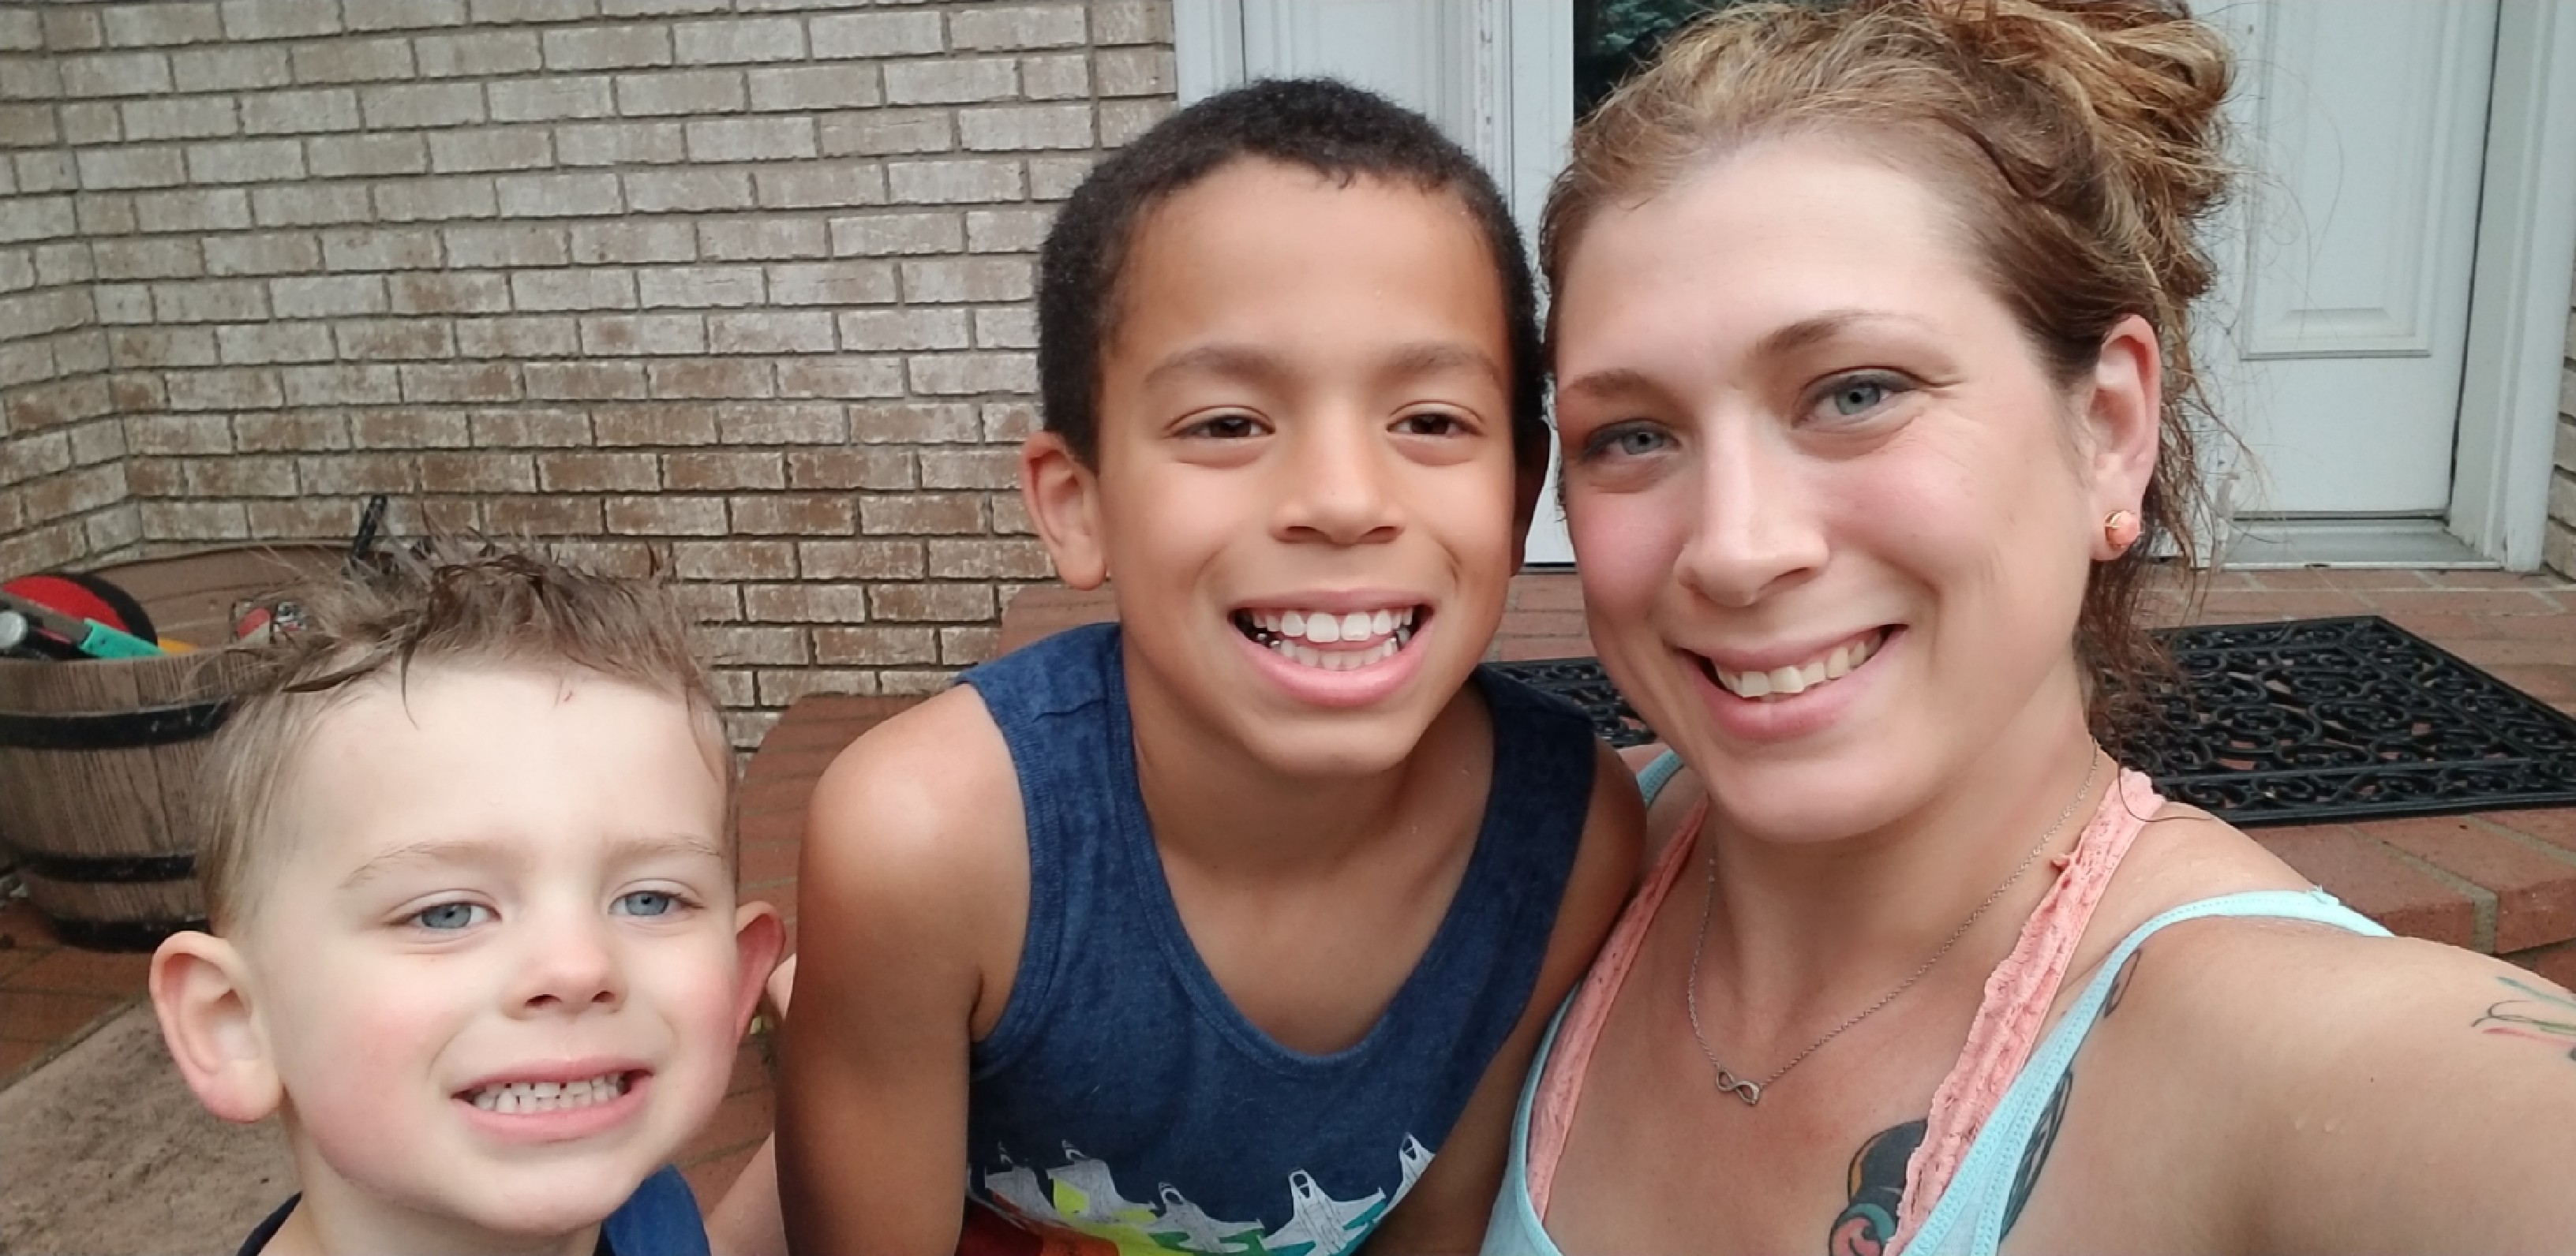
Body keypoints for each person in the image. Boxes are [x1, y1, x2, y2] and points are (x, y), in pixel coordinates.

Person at [1488, 2, 2576, 1254]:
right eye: (1633, 434)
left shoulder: (2287, 1050)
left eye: (1856, 393)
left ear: (2109, 430)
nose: (1733, 546)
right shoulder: (1544, 865)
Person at [773, 78, 1642, 1256]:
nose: (1344, 499)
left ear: (1520, 491)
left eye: (1431, 420)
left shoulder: (1567, 840)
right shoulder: (932, 843)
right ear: (1077, 504)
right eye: (1228, 423)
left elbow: (1438, 1227)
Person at [148, 545, 787, 1256]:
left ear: (738, 984)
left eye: (651, 901)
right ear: (234, 1021)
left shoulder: (650, 1210)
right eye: (445, 913)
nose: (578, 968)